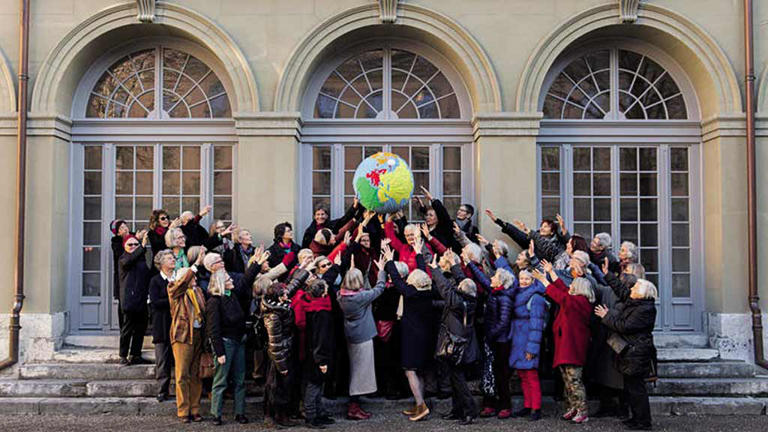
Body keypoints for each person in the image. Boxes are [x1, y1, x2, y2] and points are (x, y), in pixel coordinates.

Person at [533, 261, 594, 424]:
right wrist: (551, 272)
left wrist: (544, 280)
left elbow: (559, 295)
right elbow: (562, 289)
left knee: (574, 381)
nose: (570, 286)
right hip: (566, 346)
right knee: (567, 381)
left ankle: (582, 410)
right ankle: (573, 407)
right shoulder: (574, 299)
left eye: (573, 285)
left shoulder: (580, 302)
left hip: (572, 348)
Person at [205, 251, 261, 426]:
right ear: (222, 283)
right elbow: (213, 329)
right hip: (226, 343)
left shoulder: (233, 295)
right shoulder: (214, 301)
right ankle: (216, 414)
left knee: (240, 379)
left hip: (239, 341)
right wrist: (219, 351)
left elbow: (245, 282)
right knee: (221, 380)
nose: (232, 281)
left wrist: (256, 264)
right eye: (229, 280)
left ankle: (240, 413)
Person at [595, 278, 658, 431]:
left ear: (642, 294)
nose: (631, 290)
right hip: (631, 352)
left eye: (635, 288)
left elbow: (624, 326)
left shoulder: (645, 309)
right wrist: (607, 275)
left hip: (636, 353)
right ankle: (636, 418)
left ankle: (643, 421)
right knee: (631, 388)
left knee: (637, 389)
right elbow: (622, 290)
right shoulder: (637, 302)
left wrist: (606, 316)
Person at [383, 241, 434, 422]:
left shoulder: (410, 293)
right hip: (424, 336)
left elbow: (396, 280)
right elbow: (422, 271)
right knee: (418, 370)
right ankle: (420, 404)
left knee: (410, 371)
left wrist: (389, 261)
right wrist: (419, 253)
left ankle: (421, 405)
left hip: (412, 337)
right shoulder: (427, 290)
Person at [428, 251, 479, 425]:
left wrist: (435, 269)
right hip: (460, 345)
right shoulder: (470, 298)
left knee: (458, 380)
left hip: (455, 346)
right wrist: (454, 264)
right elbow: (461, 280)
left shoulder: (457, 303)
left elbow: (445, 288)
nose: (457, 284)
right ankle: (457, 410)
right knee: (454, 378)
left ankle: (469, 411)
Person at [262, 262, 313, 428]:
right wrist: (281, 365)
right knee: (275, 386)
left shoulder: (280, 303)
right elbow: (274, 343)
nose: (287, 296)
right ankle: (273, 416)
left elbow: (293, 284)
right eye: (284, 295)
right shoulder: (273, 316)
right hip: (279, 354)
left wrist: (305, 269)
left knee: (284, 385)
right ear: (278, 297)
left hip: (286, 349)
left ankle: (283, 414)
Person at [337, 264, 386, 420]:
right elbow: (379, 289)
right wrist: (382, 271)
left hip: (351, 334)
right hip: (363, 336)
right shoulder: (359, 298)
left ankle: (355, 405)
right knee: (360, 373)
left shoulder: (342, 295)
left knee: (355, 369)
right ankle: (354, 407)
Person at [167, 257, 206, 424]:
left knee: (196, 373)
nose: (195, 280)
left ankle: (195, 409)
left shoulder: (197, 291)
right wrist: (194, 265)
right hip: (183, 335)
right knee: (182, 373)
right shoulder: (175, 291)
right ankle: (183, 410)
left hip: (197, 334)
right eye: (193, 277)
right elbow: (180, 284)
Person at [508, 269, 548, 421]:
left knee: (531, 375)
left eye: (527, 279)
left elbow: (536, 326)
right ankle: (527, 404)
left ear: (533, 280)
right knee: (522, 375)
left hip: (528, 339)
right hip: (518, 339)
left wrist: (532, 349)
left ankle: (536, 408)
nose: (523, 281)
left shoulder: (536, 298)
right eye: (521, 278)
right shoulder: (518, 294)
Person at [476, 268, 515, 419]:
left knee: (501, 374)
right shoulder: (495, 292)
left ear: (501, 281)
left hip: (500, 341)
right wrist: (470, 263)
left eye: (495, 276)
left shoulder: (504, 298)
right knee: (488, 372)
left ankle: (505, 405)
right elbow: (483, 280)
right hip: (492, 338)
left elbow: (503, 322)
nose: (491, 278)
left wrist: (490, 335)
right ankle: (489, 403)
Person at [302, 279, 336, 429]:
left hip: (312, 352)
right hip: (318, 354)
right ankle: (311, 415)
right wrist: (322, 360)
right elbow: (320, 338)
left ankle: (318, 412)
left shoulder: (312, 308)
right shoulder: (321, 313)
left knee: (316, 384)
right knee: (314, 385)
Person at [117, 230, 152, 366]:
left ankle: (136, 354)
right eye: (130, 245)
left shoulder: (141, 261)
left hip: (141, 299)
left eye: (135, 245)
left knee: (140, 329)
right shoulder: (124, 259)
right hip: (129, 301)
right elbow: (129, 261)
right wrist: (142, 246)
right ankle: (123, 355)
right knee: (127, 329)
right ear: (125, 247)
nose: (133, 247)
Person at [484, 209, 568, 263]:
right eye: (541, 226)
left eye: (546, 227)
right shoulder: (533, 239)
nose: (542, 228)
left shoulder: (558, 243)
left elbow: (567, 240)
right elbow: (517, 234)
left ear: (552, 231)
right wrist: (498, 221)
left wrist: (563, 228)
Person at [148, 249, 176, 401]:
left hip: (178, 325)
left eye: (173, 258)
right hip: (162, 325)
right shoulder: (155, 281)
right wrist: (172, 300)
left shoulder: (179, 278)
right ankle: (162, 390)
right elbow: (155, 302)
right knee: (162, 360)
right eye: (169, 258)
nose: (172, 260)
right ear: (161, 263)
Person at [110, 219, 131, 329]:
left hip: (134, 276)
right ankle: (123, 328)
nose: (125, 229)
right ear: (117, 232)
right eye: (122, 228)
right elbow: (121, 256)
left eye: (125, 226)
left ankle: (131, 327)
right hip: (121, 277)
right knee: (122, 303)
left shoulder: (133, 237)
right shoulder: (116, 242)